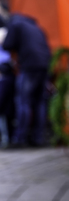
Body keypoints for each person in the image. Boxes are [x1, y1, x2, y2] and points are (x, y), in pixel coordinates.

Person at [3, 13, 51, 147]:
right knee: (40, 102)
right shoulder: (36, 27)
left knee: (23, 101)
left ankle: (20, 138)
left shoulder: (14, 23)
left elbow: (8, 44)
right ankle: (38, 138)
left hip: (29, 66)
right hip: (45, 65)